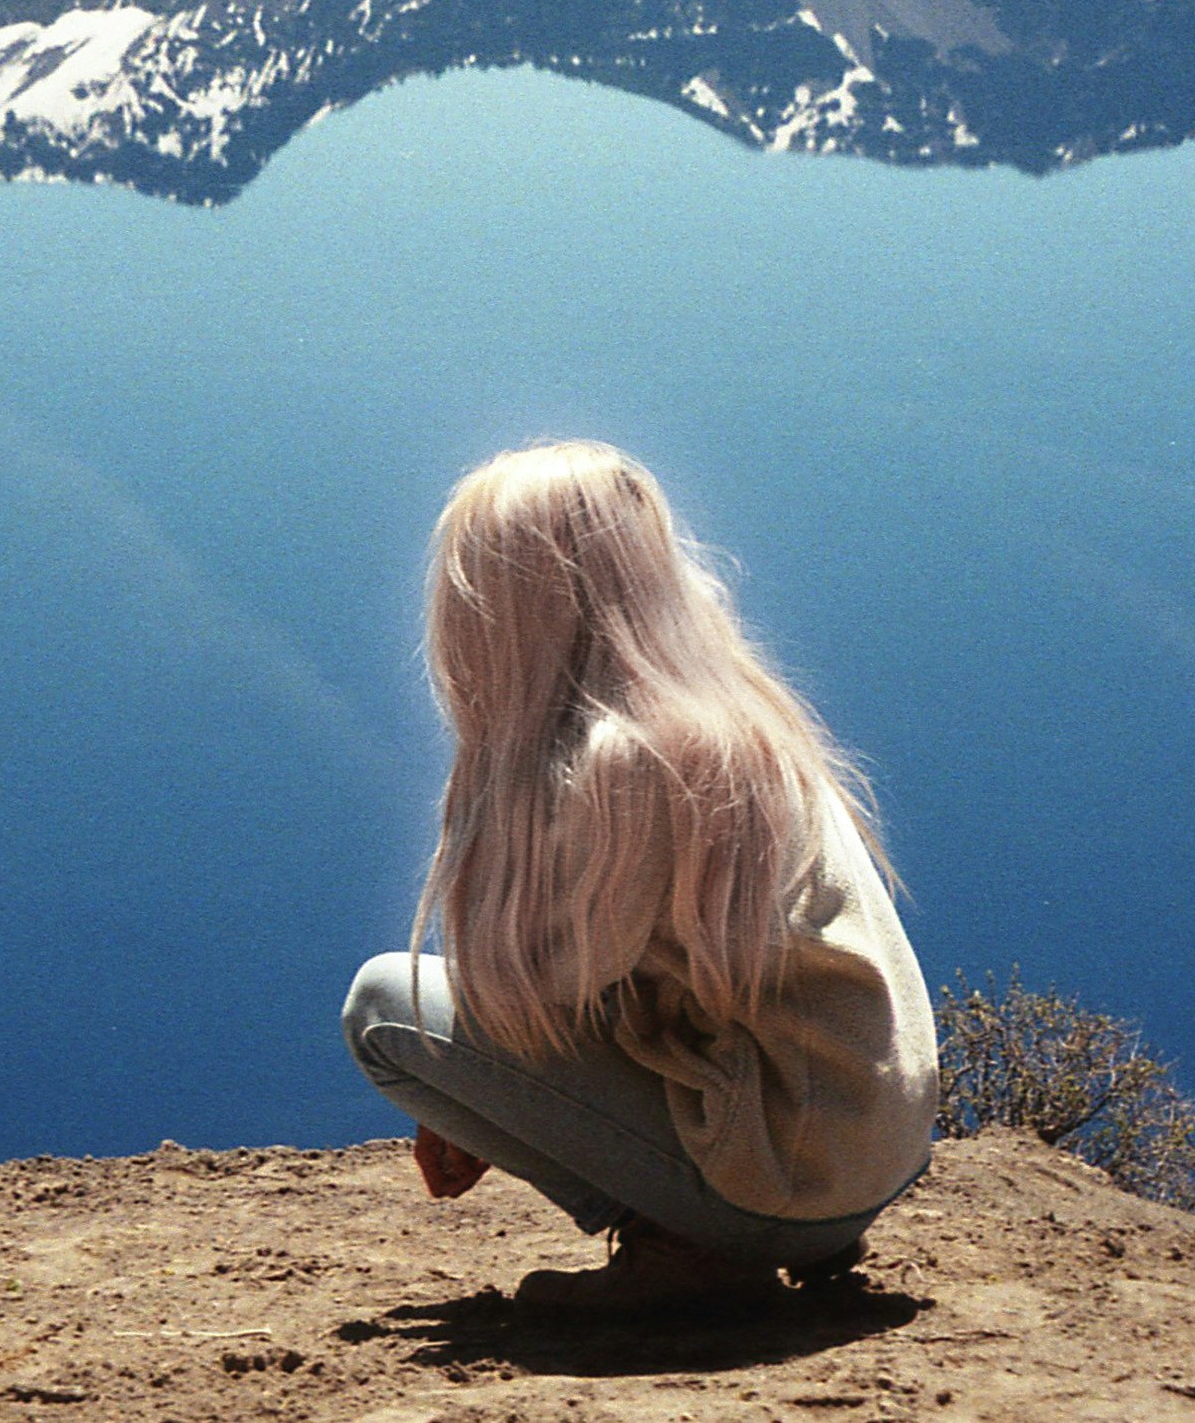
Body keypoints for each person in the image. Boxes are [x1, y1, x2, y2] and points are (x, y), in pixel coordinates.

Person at [342, 441, 937, 1316]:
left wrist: (467, 1088)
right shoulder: (742, 729)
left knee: (386, 1006)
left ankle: (689, 1247)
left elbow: (551, 1002)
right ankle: (732, 1224)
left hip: (778, 1183)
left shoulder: (625, 762)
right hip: (861, 1158)